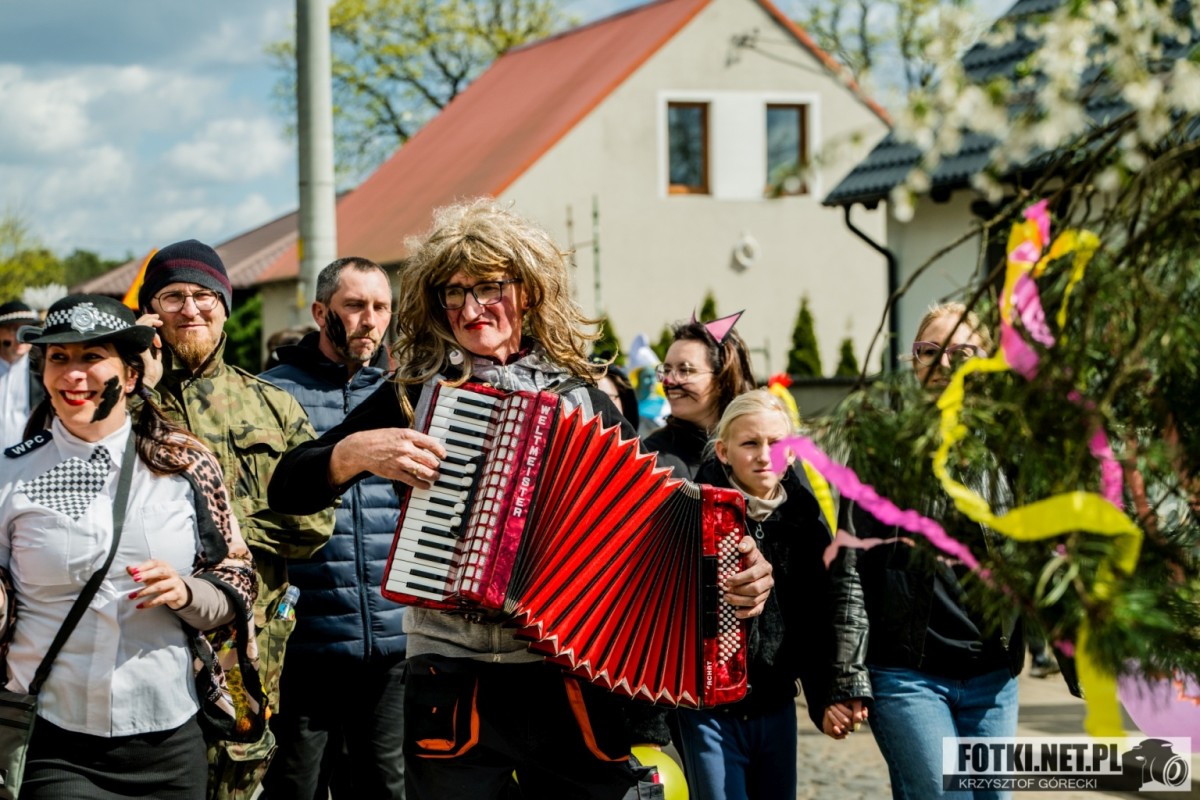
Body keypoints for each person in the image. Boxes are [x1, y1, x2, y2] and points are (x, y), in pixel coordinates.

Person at [267, 199, 774, 800]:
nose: (470, 309)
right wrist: (348, 454)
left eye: (489, 288)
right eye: (454, 293)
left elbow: (663, 519)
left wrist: (738, 567)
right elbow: (288, 485)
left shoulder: (582, 399)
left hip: (564, 672)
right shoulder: (414, 393)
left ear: (528, 293)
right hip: (451, 670)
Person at [0, 295, 260, 799]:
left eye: (92, 356)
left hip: (170, 737)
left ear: (132, 375)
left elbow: (239, 576)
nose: (73, 373)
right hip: (54, 738)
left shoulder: (184, 465)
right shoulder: (11, 473)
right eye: (59, 357)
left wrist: (187, 592)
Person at [136, 240, 334, 799]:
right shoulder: (123, 404)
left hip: (248, 640)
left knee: (237, 772)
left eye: (204, 295)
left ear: (224, 306)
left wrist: (223, 526)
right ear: (150, 311)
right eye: (172, 296)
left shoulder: (272, 406)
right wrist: (136, 384)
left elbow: (316, 525)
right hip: (145, 634)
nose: (190, 308)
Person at [826, 302, 1024, 800]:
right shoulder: (880, 450)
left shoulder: (1010, 448)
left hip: (992, 675)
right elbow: (849, 567)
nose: (943, 363)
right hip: (907, 675)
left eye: (962, 352)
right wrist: (848, 675)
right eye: (929, 351)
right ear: (913, 362)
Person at [259, 257, 405, 799]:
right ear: (321, 312)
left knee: (386, 789)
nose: (370, 319)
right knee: (295, 788)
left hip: (392, 643)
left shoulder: (406, 392)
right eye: (355, 305)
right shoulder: (271, 394)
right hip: (305, 645)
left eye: (381, 307)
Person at [676, 389, 836, 800]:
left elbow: (817, 620)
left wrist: (826, 697)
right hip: (708, 710)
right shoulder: (692, 512)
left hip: (777, 704)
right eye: (750, 443)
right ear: (723, 452)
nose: (765, 456)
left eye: (776, 444)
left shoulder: (807, 524)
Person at [642, 313, 756, 479]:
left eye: (685, 370)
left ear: (721, 378)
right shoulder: (654, 458)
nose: (668, 381)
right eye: (666, 370)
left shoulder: (764, 444)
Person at [0, 301, 44, 446]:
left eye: (26, 330)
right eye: (14, 329)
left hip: (29, 453)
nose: (21, 337)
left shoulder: (43, 370)